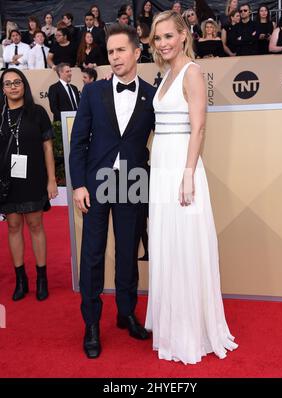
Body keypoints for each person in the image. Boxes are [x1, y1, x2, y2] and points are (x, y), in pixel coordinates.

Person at [145, 10, 238, 364]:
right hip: (162, 166)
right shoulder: (166, 74)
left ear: (184, 35)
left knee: (185, 244)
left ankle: (191, 331)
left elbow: (198, 127)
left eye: (169, 35)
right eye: (158, 38)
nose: (164, 43)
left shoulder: (193, 72)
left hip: (182, 167)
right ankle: (171, 324)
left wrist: (187, 173)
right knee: (167, 243)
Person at [69, 23, 155, 359]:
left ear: (136, 52)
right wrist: (78, 185)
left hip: (132, 183)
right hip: (95, 184)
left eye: (121, 50)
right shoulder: (92, 92)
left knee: (127, 255)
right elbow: (78, 144)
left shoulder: (151, 95)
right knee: (91, 256)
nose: (115, 57)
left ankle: (126, 313)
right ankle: (91, 324)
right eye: (111, 52)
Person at [0, 68, 57, 301]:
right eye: (8, 83)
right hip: (7, 181)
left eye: (17, 82)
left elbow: (47, 148)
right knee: (13, 227)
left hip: (33, 177)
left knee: (35, 225)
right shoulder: (1, 115)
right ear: (2, 89)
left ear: (24, 85)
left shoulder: (37, 112)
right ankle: (21, 280)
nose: (13, 86)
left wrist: (52, 180)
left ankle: (41, 278)